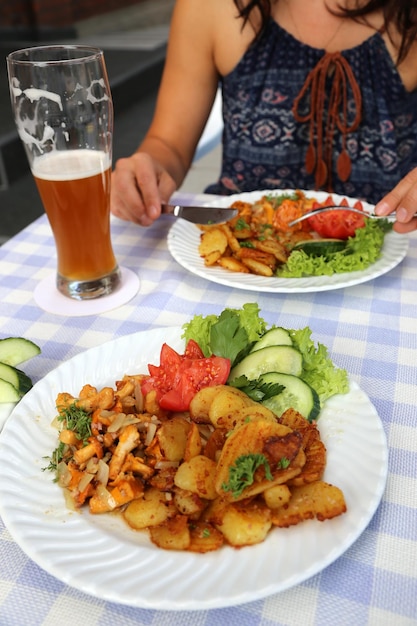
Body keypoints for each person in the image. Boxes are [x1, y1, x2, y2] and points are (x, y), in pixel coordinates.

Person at [111, 0, 417, 233]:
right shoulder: (209, 7)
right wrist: (147, 172)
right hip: (241, 244)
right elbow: (169, 143)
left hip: (390, 242)